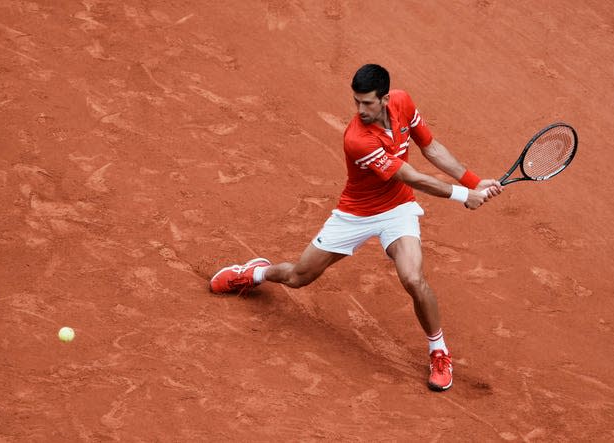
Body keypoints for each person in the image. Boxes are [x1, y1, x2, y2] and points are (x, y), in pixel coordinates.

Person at [210, 64, 503, 391]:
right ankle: (256, 273)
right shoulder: (357, 139)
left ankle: (439, 352)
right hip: (357, 213)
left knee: (413, 278)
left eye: (367, 103)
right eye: (356, 103)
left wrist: (474, 181)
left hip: (398, 209)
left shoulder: (403, 103)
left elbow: (430, 148)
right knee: (298, 277)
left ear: (386, 98)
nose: (360, 110)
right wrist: (465, 196)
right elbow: (411, 176)